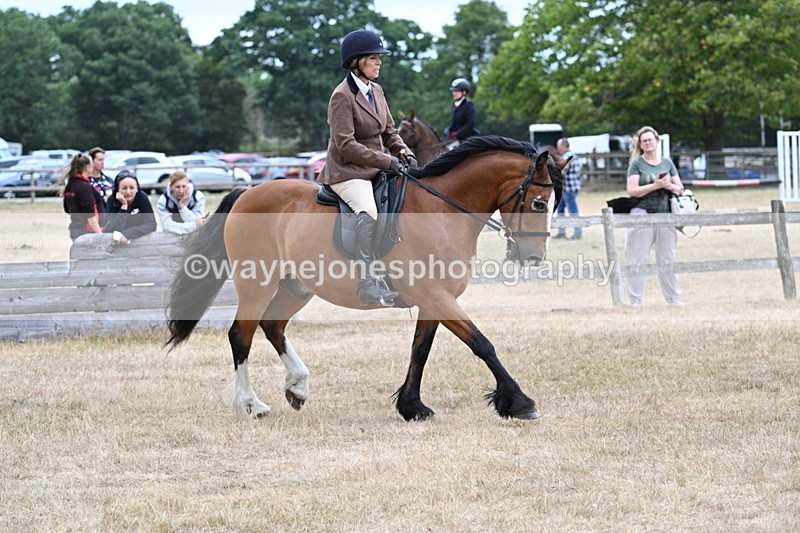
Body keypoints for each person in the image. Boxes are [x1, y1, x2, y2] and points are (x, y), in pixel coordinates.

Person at [317, 29, 417, 307]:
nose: (379, 63)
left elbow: (389, 131)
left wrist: (403, 152)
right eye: (373, 58)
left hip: (375, 167)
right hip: (347, 171)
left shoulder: (377, 91)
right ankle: (367, 283)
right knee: (369, 212)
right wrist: (387, 160)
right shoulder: (341, 96)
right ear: (356, 62)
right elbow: (346, 145)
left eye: (379, 58)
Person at [625, 126, 686, 307]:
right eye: (644, 141)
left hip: (665, 213)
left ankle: (673, 299)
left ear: (657, 141)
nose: (648, 143)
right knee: (637, 258)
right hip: (642, 213)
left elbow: (680, 189)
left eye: (651, 140)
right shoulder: (636, 164)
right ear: (641, 144)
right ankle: (635, 300)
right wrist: (655, 185)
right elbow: (632, 191)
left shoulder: (667, 163)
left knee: (667, 258)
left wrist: (668, 187)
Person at [103, 170, 157, 243]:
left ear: (137, 189)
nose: (128, 192)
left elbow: (152, 224)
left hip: (138, 241)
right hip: (115, 244)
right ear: (117, 189)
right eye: (124, 188)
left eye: (132, 188)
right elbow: (112, 229)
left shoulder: (142, 197)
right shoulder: (111, 200)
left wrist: (128, 233)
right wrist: (124, 206)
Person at [62, 153, 105, 241]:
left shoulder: (71, 185)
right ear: (87, 167)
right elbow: (89, 214)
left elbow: (67, 209)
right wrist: (100, 235)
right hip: (87, 232)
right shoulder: (85, 187)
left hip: (76, 229)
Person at [157, 170, 207, 234]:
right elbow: (167, 226)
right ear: (171, 187)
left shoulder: (198, 197)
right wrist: (193, 226)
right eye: (177, 187)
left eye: (184, 186)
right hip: (171, 236)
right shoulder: (163, 201)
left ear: (188, 185)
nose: (181, 191)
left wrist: (183, 207)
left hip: (195, 235)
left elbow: (198, 222)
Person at [554, 137, 583, 239]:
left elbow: (562, 173)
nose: (557, 149)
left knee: (573, 210)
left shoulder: (566, 157)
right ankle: (561, 232)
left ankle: (578, 233)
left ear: (562, 146)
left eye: (558, 146)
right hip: (572, 187)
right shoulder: (575, 156)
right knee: (560, 209)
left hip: (568, 189)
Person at [444, 77, 478, 143]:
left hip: (469, 139)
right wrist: (449, 129)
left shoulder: (468, 105)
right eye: (453, 91)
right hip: (459, 140)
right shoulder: (456, 106)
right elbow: (455, 123)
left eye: (457, 91)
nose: (454, 93)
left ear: (464, 92)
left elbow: (471, 123)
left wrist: (458, 134)